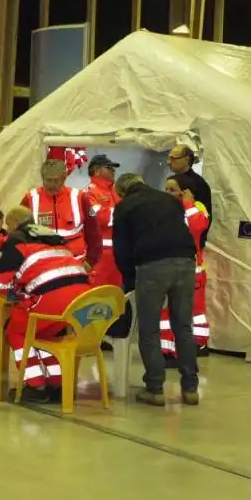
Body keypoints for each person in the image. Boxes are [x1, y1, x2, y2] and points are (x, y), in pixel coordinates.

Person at [112, 173, 200, 407]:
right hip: (186, 262)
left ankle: (155, 388)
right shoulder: (169, 199)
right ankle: (190, 388)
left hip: (152, 266)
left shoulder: (124, 207)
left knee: (149, 329)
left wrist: (130, 282)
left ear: (121, 192)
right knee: (183, 326)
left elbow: (121, 250)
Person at [0, 206, 92, 404]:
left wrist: (14, 286)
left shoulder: (16, 240)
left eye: (8, 226)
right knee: (46, 334)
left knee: (16, 332)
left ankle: (35, 385)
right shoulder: (53, 236)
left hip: (52, 296)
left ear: (15, 223)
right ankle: (57, 384)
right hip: (80, 298)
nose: (7, 230)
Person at [161, 174, 211, 357]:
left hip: (194, 272)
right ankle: (167, 349)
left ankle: (200, 344)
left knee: (197, 312)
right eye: (166, 189)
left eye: (173, 190)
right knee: (165, 313)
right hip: (168, 268)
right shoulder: (165, 209)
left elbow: (197, 226)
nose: (168, 193)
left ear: (186, 192)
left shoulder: (198, 208)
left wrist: (188, 203)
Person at [21, 159, 101, 269]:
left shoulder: (80, 197)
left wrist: (90, 261)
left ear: (64, 178)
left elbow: (94, 232)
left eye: (56, 181)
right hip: (42, 266)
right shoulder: (30, 198)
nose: (51, 185)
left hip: (76, 264)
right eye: (48, 180)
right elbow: (20, 233)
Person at [84, 155, 122, 287]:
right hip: (101, 255)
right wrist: (124, 214)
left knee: (116, 295)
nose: (113, 170)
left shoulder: (116, 191)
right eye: (109, 167)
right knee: (99, 295)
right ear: (97, 170)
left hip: (119, 253)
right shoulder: (89, 193)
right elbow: (99, 217)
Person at [168, 145, 212, 247]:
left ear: (186, 159)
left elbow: (205, 216)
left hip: (189, 242)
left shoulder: (198, 183)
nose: (169, 162)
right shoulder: (172, 179)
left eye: (173, 158)